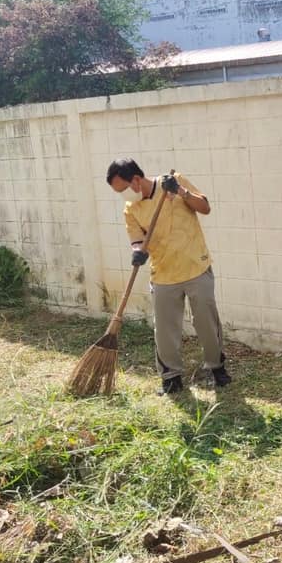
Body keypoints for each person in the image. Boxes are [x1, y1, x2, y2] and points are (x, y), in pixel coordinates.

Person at [106, 158, 230, 395]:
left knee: (205, 322)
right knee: (164, 329)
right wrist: (137, 253)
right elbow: (136, 240)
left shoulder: (172, 182)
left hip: (196, 265)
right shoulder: (131, 209)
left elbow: (205, 208)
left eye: (122, 190)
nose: (122, 196)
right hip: (163, 273)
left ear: (135, 180)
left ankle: (216, 367)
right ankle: (171, 377)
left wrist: (181, 192)